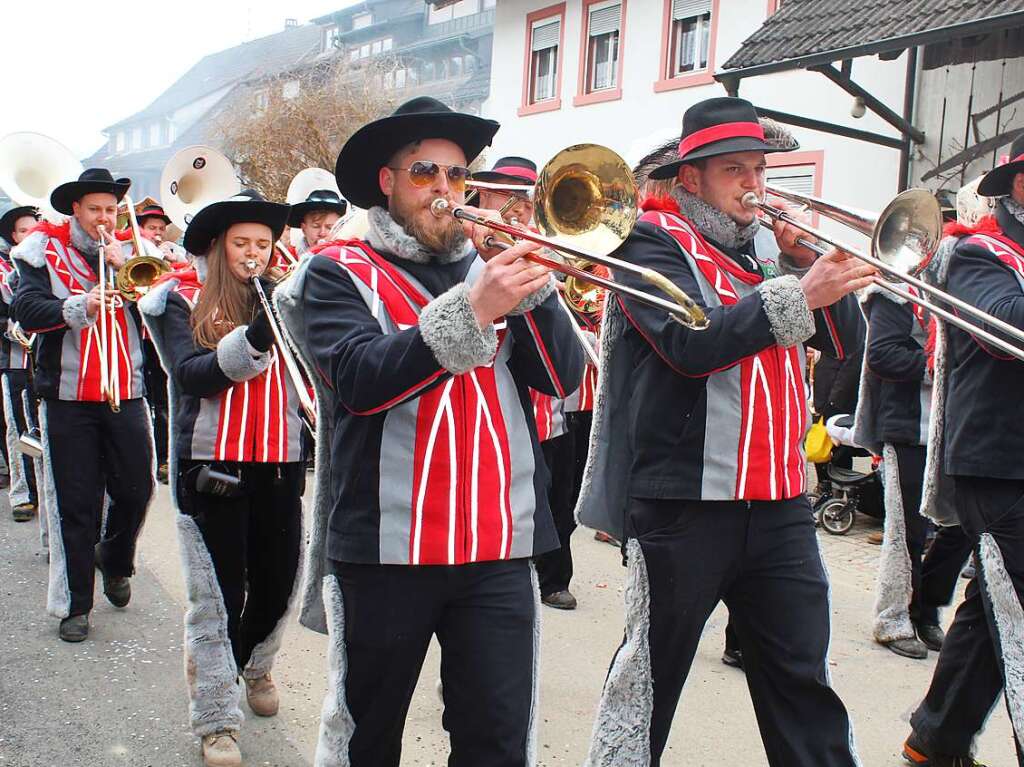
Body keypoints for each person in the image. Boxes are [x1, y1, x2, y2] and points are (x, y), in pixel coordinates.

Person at [274, 96, 584, 766]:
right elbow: (357, 378)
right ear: (387, 183)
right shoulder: (336, 270)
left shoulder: (490, 266)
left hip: (497, 547)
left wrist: (534, 291)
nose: (445, 190)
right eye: (425, 173)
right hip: (388, 548)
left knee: (496, 741)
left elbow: (563, 379)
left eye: (456, 176)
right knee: (369, 737)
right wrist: (473, 307)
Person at [577, 97, 872, 766]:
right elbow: (690, 340)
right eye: (734, 170)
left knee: (803, 680)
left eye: (759, 171)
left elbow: (845, 341)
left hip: (778, 505)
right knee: (647, 682)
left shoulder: (770, 251)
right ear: (691, 179)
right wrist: (798, 293)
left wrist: (810, 264)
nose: (754, 186)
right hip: (684, 503)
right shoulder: (646, 241)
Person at [139, 189, 304, 767]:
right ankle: (215, 717)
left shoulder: (289, 296)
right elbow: (192, 375)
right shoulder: (175, 300)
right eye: (242, 244)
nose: (254, 254)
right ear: (217, 247)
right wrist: (259, 333)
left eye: (264, 243)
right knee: (217, 597)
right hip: (211, 465)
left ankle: (253, 665)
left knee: (279, 586)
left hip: (282, 461)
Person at [901, 136, 1024, 767]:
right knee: (1019, 607)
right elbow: (1007, 327)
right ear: (1020, 188)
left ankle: (937, 737)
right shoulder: (978, 253)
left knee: (993, 606)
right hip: (997, 461)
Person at [12, 168, 155, 643]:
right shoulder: (41, 251)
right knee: (77, 504)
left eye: (111, 210)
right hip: (69, 396)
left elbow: (160, 306)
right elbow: (27, 310)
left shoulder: (132, 251)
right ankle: (76, 605)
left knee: (137, 490)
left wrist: (120, 265)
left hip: (127, 390)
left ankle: (114, 558)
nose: (104, 219)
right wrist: (78, 305)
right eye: (94, 210)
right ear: (75, 209)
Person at [472, 155, 588, 610]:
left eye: (526, 198)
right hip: (502, 413)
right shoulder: (469, 254)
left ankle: (555, 578)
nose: (517, 207)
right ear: (483, 195)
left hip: (555, 408)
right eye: (507, 196)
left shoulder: (552, 252)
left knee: (560, 497)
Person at [854, 281, 972, 660]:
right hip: (909, 429)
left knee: (963, 526)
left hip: (957, 428)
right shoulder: (895, 293)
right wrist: (938, 362)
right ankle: (893, 619)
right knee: (907, 533)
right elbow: (883, 355)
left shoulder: (962, 290)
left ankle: (927, 607)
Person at [0, 202, 41, 522]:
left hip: (48, 361)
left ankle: (47, 489)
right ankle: (24, 493)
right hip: (14, 358)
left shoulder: (48, 266)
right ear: (14, 237)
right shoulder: (6, 269)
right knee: (19, 427)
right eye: (24, 231)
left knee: (46, 428)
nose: (31, 236)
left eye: (35, 230)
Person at [135, 201, 178, 483]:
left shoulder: (172, 253)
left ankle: (164, 456)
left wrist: (173, 262)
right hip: (138, 337)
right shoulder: (129, 251)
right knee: (144, 399)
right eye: (152, 228)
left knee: (164, 399)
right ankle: (147, 456)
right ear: (140, 230)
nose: (158, 233)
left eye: (162, 228)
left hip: (159, 336)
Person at [288, 188, 347, 258]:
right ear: (304, 229)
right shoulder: (285, 262)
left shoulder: (352, 261)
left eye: (329, 227)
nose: (322, 233)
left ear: (339, 229)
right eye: (316, 226)